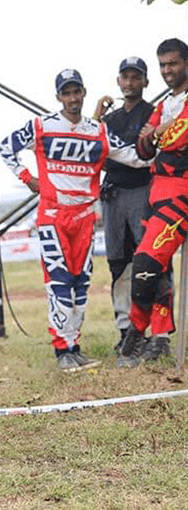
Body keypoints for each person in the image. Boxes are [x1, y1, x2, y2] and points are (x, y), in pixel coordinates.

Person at [0, 68, 150, 372]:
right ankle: (61, 350)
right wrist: (27, 177)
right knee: (60, 282)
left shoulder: (98, 130)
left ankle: (74, 347)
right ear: (58, 97)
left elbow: (133, 157)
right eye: (66, 93)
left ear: (83, 93)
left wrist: (161, 146)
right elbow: (6, 148)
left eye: (76, 92)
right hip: (53, 215)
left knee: (81, 284)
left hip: (85, 217)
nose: (72, 98)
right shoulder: (41, 125)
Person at [93, 57, 174, 361]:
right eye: (125, 77)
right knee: (119, 263)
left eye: (135, 77)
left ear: (145, 82)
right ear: (118, 81)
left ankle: (160, 334)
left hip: (144, 192)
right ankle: (127, 330)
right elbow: (95, 150)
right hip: (113, 195)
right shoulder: (110, 119)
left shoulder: (154, 113)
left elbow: (154, 153)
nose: (129, 82)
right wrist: (96, 118)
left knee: (154, 261)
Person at [119, 38, 188, 367]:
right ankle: (158, 339)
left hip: (181, 192)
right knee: (154, 267)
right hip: (155, 190)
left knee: (146, 263)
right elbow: (143, 148)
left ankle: (136, 331)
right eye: (162, 65)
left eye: (173, 63)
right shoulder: (165, 103)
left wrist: (157, 133)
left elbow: (177, 137)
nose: (167, 70)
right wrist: (159, 133)